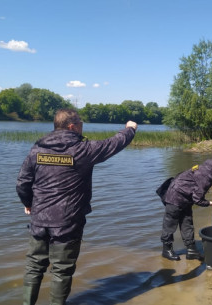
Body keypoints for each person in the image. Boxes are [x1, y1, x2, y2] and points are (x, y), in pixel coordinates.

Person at [16, 109, 137, 305]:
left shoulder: (37, 149)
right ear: (72, 127)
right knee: (61, 270)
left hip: (39, 220)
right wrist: (130, 129)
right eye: (81, 123)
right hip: (67, 221)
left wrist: (28, 203)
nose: (83, 126)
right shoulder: (82, 150)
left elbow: (22, 182)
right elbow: (113, 143)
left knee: (34, 266)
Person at [156, 159, 212, 261]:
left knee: (187, 223)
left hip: (186, 197)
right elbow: (198, 200)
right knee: (170, 224)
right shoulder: (206, 176)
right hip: (174, 197)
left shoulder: (211, 168)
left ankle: (191, 251)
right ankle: (166, 250)